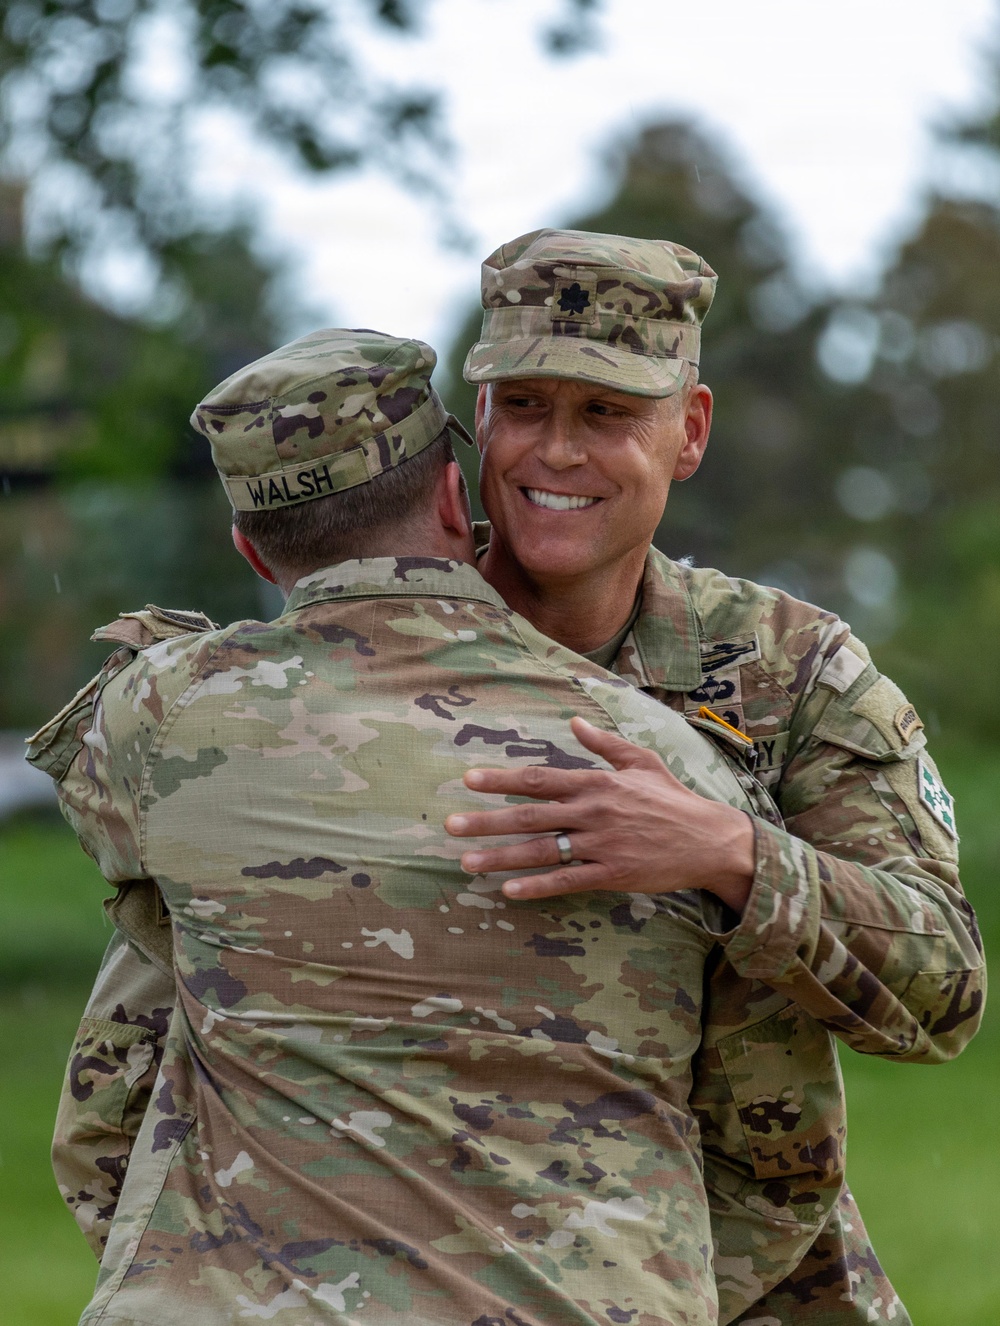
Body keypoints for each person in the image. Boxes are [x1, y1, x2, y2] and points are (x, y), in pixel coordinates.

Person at [28, 327, 783, 1325]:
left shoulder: (163, 718)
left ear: (250, 549)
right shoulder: (669, 770)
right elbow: (776, 1141)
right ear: (450, 497)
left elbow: (108, 1091)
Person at [441, 228, 985, 1324]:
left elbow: (942, 993)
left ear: (686, 432)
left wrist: (726, 854)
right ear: (479, 420)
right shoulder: (379, 658)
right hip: (441, 1267)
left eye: (605, 413)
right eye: (526, 406)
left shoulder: (787, 671)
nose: (555, 453)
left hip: (744, 1278)